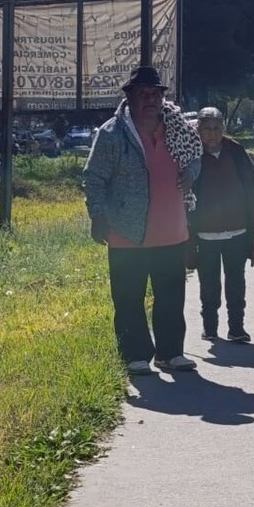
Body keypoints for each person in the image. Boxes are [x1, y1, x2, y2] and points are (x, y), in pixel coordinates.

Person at [84, 66, 203, 376]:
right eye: (143, 94)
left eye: (155, 94)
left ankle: (170, 353)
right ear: (130, 97)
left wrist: (190, 175)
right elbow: (94, 178)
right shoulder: (113, 133)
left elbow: (195, 157)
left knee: (171, 297)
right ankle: (135, 356)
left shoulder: (177, 127)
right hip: (127, 233)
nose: (150, 99)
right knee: (128, 299)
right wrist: (97, 215)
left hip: (171, 232)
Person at [191, 107, 254, 343]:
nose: (212, 134)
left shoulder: (235, 151)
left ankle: (236, 328)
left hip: (237, 230)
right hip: (205, 233)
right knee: (209, 284)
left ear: (223, 128)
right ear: (198, 130)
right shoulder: (191, 153)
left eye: (217, 128)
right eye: (207, 129)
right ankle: (210, 327)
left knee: (236, 281)